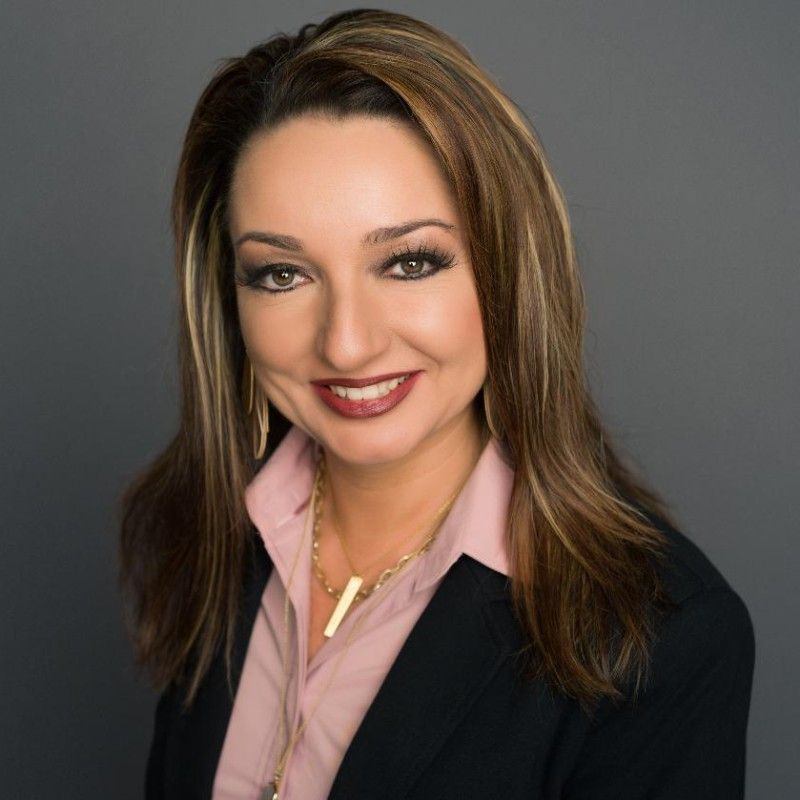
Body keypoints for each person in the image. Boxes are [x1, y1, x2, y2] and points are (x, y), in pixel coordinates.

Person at [118, 8, 755, 800]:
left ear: (506, 272)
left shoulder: (661, 637)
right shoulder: (207, 534)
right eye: (282, 274)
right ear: (230, 297)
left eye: (410, 262)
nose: (346, 344)